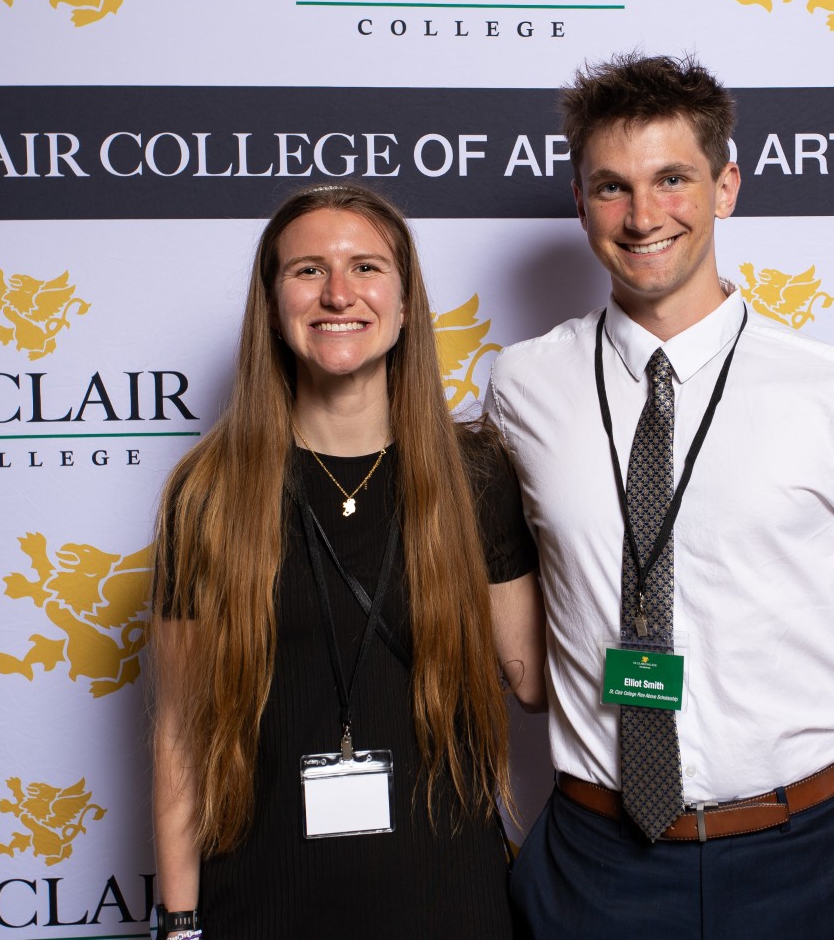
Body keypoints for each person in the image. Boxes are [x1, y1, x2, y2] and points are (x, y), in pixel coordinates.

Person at [487, 55, 834, 940]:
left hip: (803, 862)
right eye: (612, 186)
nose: (643, 216)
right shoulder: (522, 386)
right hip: (594, 866)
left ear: (726, 188)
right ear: (579, 201)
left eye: (672, 179)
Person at [149, 184, 545, 940]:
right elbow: (179, 734)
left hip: (449, 903)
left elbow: (533, 679)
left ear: (405, 303)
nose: (338, 293)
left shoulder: (477, 476)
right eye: (308, 270)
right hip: (262, 904)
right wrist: (180, 921)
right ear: (272, 306)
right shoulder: (208, 494)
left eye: (366, 267)